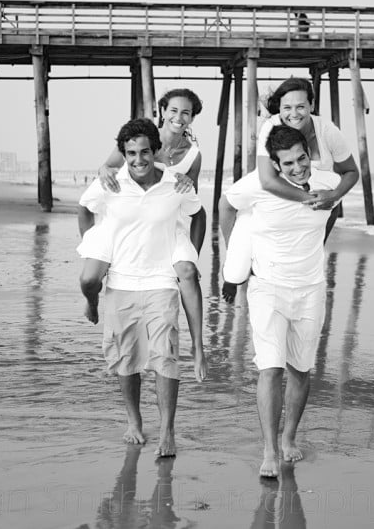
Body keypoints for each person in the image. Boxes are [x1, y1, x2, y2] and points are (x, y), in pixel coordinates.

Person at [219, 125, 347, 478]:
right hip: (267, 286)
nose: (297, 168)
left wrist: (315, 247)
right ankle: (270, 450)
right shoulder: (256, 185)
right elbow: (225, 206)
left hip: (311, 288)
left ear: (309, 152)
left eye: (301, 158)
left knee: (301, 369)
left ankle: (289, 438)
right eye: (287, 163)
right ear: (274, 164)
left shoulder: (328, 181)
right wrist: (236, 258)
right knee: (270, 367)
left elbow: (332, 211)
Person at [78, 118, 207, 455]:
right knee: (127, 359)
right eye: (131, 153)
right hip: (121, 281)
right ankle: (134, 420)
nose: (138, 160)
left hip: (161, 281)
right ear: (123, 153)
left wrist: (192, 254)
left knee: (165, 355)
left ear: (155, 150)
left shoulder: (176, 184)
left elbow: (199, 213)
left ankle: (167, 431)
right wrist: (93, 245)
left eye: (145, 152)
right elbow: (84, 208)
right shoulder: (110, 182)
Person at [89, 89, 206, 361]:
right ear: (162, 111)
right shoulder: (141, 139)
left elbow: (193, 203)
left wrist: (194, 254)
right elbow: (106, 167)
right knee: (95, 275)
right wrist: (104, 170)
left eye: (186, 112)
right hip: (131, 217)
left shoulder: (193, 155)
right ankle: (93, 302)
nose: (178, 117)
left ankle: (199, 347)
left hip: (168, 223)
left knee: (187, 272)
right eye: (173, 110)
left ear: (192, 118)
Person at [221, 77, 359, 301]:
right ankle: (235, 265)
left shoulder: (328, 131)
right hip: (276, 181)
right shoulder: (271, 125)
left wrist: (333, 196)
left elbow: (351, 172)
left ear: (311, 106)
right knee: (231, 209)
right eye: (287, 107)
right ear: (280, 109)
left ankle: (317, 245)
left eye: (301, 106)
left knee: (333, 198)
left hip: (312, 181)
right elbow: (267, 180)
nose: (294, 113)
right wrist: (311, 199)